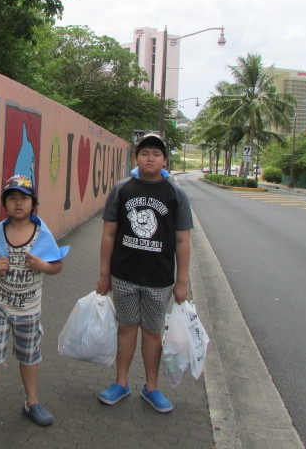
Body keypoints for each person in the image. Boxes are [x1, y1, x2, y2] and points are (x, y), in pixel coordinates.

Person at [96, 133, 193, 414]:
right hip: (124, 275)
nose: (150, 158)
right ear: (136, 158)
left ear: (165, 160)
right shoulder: (122, 189)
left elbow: (183, 240)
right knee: (126, 328)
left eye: (156, 154)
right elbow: (108, 233)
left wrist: (182, 281)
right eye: (145, 153)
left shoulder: (175, 193)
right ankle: (121, 383)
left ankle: (151, 388)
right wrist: (104, 273)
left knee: (152, 332)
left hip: (159, 279)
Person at [0, 174, 68, 426]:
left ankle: (32, 402)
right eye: (12, 198)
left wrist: (43, 266)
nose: (18, 203)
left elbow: (57, 266)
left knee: (29, 355)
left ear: (32, 203)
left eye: (23, 198)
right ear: (5, 203)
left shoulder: (41, 233)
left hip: (28, 309)